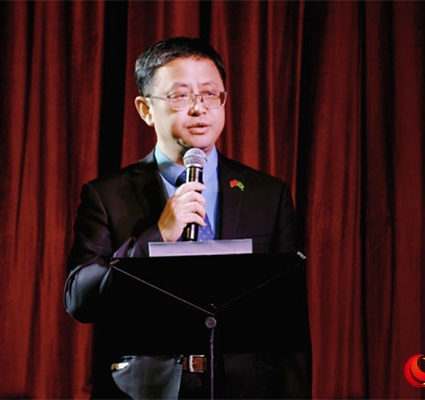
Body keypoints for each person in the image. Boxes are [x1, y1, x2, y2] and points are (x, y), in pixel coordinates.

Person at [64, 36, 311, 399]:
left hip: (246, 389)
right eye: (180, 96)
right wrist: (156, 236)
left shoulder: (266, 194)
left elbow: (288, 319)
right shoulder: (107, 195)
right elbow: (79, 300)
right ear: (146, 109)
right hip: (144, 390)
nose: (199, 108)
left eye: (210, 94)